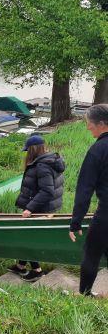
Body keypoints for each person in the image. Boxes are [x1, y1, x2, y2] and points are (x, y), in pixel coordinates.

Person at [9, 135, 65, 282]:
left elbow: (47, 191)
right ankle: (21, 266)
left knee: (27, 239)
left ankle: (37, 271)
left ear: (33, 149)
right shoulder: (49, 160)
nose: (27, 153)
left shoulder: (42, 165)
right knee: (26, 236)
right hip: (42, 206)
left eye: (28, 150)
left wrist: (30, 208)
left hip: (39, 207)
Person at [69, 104, 108, 296]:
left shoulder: (98, 150)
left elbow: (84, 190)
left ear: (101, 124)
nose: (87, 127)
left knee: (91, 254)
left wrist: (76, 222)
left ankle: (84, 295)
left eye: (89, 123)